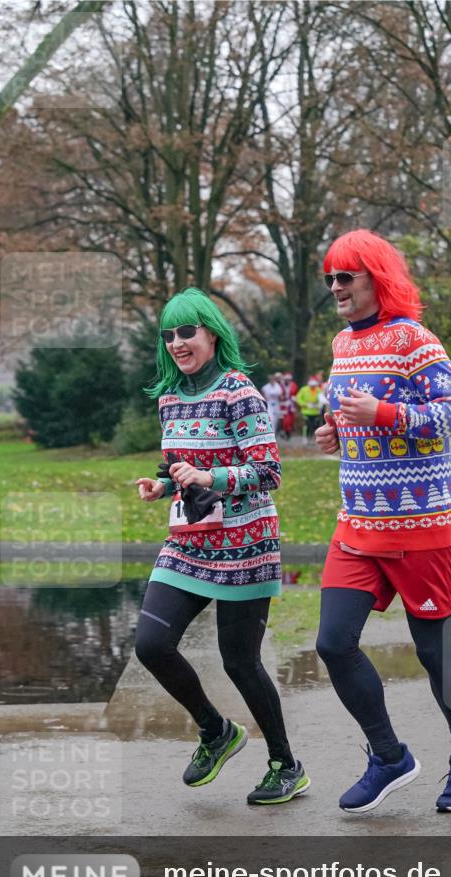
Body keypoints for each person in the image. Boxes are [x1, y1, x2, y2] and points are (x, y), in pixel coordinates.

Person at [314, 229, 451, 815]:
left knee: (434, 652)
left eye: (347, 276)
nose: (337, 287)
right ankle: (389, 756)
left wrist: (388, 412)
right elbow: (355, 417)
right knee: (333, 643)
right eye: (331, 278)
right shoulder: (343, 344)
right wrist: (337, 433)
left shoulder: (413, 339)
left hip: (421, 522)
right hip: (358, 521)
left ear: (377, 279)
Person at [134, 288, 309, 805]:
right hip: (189, 540)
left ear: (212, 332)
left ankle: (285, 764)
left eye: (186, 332)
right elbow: (176, 465)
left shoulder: (240, 392)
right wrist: (163, 485)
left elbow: (268, 472)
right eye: (168, 335)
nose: (176, 343)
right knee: (150, 645)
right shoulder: (169, 396)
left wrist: (210, 474)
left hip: (246, 544)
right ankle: (215, 731)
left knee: (241, 663)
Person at [295, 376, 323, 441]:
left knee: (314, 426)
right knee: (307, 425)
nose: (313, 387)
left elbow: (321, 399)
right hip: (306, 411)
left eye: (314, 386)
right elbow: (298, 398)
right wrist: (304, 404)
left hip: (315, 412)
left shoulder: (318, 390)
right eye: (312, 386)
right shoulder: (303, 389)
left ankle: (311, 438)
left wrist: (319, 405)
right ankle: (305, 438)